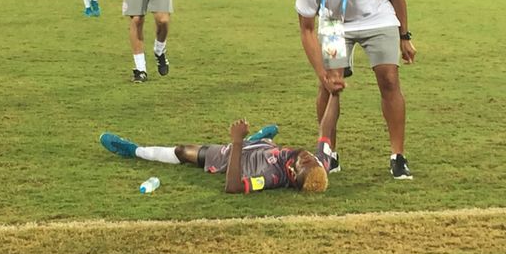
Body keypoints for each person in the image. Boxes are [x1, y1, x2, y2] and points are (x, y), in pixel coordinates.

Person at [296, 0, 417, 180]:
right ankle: (329, 153)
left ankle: (398, 156)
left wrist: (404, 36)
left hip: (377, 18)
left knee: (389, 80)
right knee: (329, 86)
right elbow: (307, 29)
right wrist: (323, 73)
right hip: (333, 24)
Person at [99, 91, 343, 193]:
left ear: (292, 171)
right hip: (265, 148)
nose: (307, 155)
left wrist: (237, 143)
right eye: (312, 159)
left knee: (184, 151)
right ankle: (259, 138)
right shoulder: (316, 165)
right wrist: (334, 93)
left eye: (304, 161)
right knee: (267, 141)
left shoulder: (271, 177)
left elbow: (233, 187)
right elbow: (326, 128)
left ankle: (133, 150)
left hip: (231, 157)